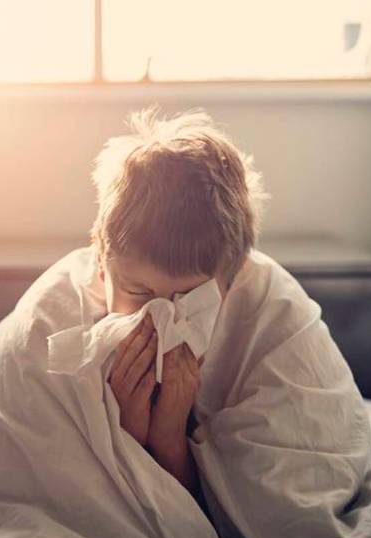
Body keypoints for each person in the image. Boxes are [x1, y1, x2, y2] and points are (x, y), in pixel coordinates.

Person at [87, 105, 268, 500]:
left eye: (189, 301)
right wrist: (124, 435)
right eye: (139, 294)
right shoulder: (63, 324)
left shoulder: (257, 321)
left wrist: (168, 439)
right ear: (101, 267)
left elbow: (222, 530)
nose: (161, 319)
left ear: (229, 284)